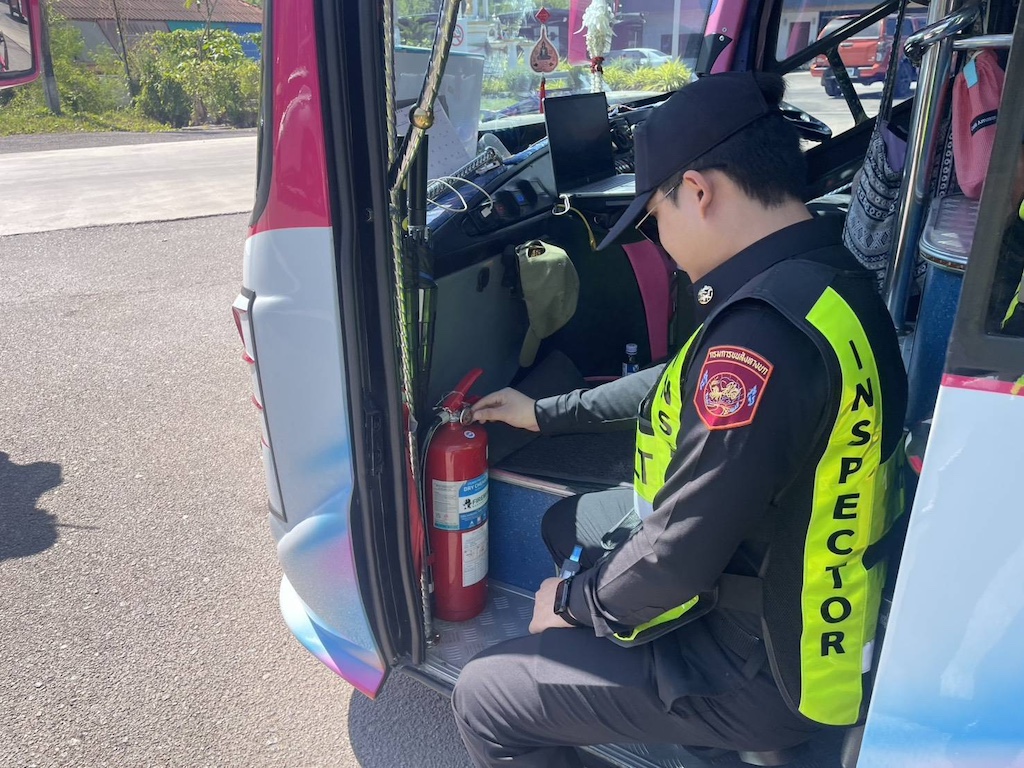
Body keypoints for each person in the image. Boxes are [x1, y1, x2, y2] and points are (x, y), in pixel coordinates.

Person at [451, 71, 909, 767]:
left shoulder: (759, 341)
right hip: (806, 602)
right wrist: (545, 414)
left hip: (763, 668)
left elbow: (676, 558)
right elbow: (679, 381)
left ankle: (708, 731)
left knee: (486, 697)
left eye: (655, 219)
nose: (660, 241)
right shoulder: (820, 277)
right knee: (567, 524)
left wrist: (570, 605)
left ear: (698, 191)